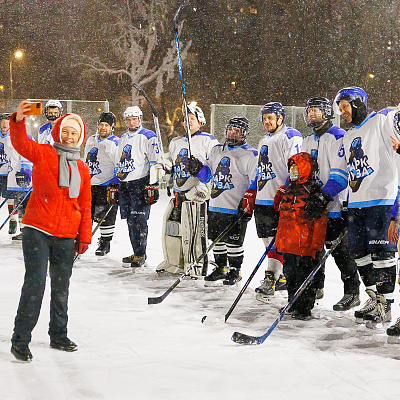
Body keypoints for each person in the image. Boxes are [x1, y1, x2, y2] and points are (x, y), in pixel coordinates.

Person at [10, 100, 92, 361]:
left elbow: (85, 204)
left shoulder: (82, 168)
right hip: (37, 229)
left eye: (74, 133)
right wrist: (18, 120)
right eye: (65, 131)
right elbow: (21, 143)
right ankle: (20, 340)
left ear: (80, 137)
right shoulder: (44, 153)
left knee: (61, 287)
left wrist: (84, 236)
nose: (69, 136)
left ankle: (58, 334)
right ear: (58, 131)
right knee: (35, 284)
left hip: (67, 235)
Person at [334, 86, 399, 328]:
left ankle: (386, 304)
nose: (343, 113)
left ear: (358, 103)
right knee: (359, 254)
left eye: (346, 107)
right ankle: (374, 298)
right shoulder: (348, 135)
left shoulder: (382, 120)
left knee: (382, 255)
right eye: (340, 109)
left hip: (382, 200)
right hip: (357, 203)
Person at [302, 97, 360, 311]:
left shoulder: (338, 136)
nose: (311, 115)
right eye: (309, 111)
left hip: (335, 203)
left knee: (340, 250)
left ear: (327, 113)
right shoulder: (307, 139)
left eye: (316, 111)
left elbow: (340, 175)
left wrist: (324, 196)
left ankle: (352, 292)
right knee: (315, 248)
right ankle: (316, 287)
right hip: (314, 203)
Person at [187, 117, 258, 284]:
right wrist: (198, 170)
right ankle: (220, 268)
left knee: (234, 242)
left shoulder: (251, 154)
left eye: (237, 131)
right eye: (230, 130)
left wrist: (248, 202)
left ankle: (235, 270)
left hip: (235, 206)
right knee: (216, 239)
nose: (232, 133)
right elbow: (206, 177)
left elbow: (255, 181)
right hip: (216, 204)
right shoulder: (217, 150)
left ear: (244, 134)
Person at [156, 104, 219, 276]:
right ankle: (174, 262)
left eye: (192, 119)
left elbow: (215, 168)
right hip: (179, 194)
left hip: (197, 195)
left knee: (195, 233)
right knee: (172, 228)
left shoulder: (209, 141)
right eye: (186, 119)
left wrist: (200, 171)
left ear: (200, 121)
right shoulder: (176, 142)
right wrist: (167, 168)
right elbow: (171, 165)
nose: (188, 122)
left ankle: (196, 265)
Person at [253, 102, 303, 300]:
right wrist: (252, 190)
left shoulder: (290, 136)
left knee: (280, 242)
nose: (267, 121)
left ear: (280, 118)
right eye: (265, 118)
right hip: (263, 197)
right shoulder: (263, 140)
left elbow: (295, 166)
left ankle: (271, 277)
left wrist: (286, 188)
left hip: (279, 198)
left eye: (270, 118)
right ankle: (278, 275)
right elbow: (259, 169)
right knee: (268, 241)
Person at [274, 152, 328, 320]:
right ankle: (292, 302)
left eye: (297, 167)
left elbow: (320, 221)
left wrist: (317, 245)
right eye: (291, 167)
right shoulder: (289, 187)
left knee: (304, 277)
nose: (293, 171)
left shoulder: (313, 191)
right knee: (289, 274)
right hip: (288, 242)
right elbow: (281, 213)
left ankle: (304, 308)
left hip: (305, 244)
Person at [115, 105, 160, 268]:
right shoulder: (123, 138)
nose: (131, 122)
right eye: (128, 119)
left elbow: (155, 162)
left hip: (140, 183)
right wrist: (115, 183)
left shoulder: (149, 136)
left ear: (140, 119)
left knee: (139, 220)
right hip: (125, 184)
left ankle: (141, 254)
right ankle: (136, 251)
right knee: (129, 220)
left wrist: (153, 185)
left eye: (134, 119)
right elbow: (118, 162)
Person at [84, 111, 119, 256]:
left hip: (107, 184)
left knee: (105, 216)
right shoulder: (91, 139)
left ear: (111, 127)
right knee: (86, 214)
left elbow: (119, 164)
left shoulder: (115, 142)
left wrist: (116, 184)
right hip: (89, 183)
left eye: (106, 125)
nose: (103, 127)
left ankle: (105, 243)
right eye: (101, 124)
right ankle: (81, 240)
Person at [0, 113, 19, 234]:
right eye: (2, 121)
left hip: (9, 174)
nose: (4, 124)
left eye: (7, 122)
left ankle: (13, 222)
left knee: (10, 199)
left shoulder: (14, 138)